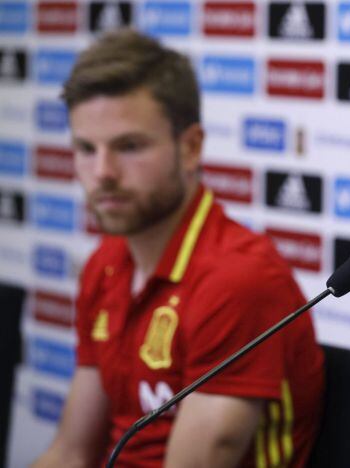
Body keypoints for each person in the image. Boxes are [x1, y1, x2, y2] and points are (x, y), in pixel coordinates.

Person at [33, 29, 324, 468]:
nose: (102, 172)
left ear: (190, 148)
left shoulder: (237, 280)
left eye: (128, 146)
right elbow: (71, 452)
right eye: (85, 149)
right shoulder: (105, 265)